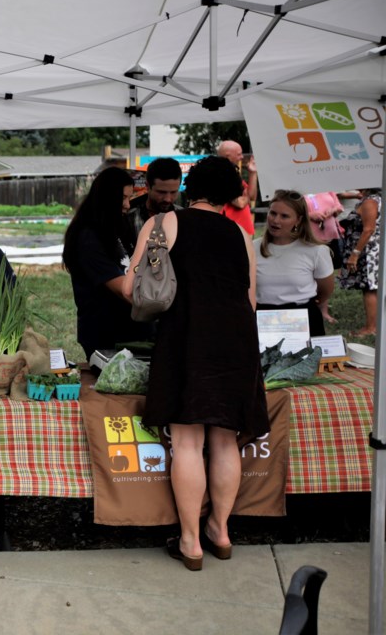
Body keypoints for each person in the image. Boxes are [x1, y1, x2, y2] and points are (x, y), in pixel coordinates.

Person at [124, 156, 269, 572]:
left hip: (188, 337)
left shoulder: (166, 222)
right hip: (237, 341)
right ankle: (220, 532)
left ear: (191, 187)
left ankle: (190, 542)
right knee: (225, 440)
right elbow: (250, 301)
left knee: (188, 442)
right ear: (230, 193)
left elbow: (136, 284)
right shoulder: (242, 234)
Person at [62, 166, 152, 361]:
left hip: (131, 332)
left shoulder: (117, 227)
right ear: (106, 198)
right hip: (105, 336)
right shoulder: (89, 237)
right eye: (123, 198)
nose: (128, 205)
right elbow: (124, 289)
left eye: (129, 197)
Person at [255, 190, 336, 336]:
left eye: (284, 216)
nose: (275, 220)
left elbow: (325, 290)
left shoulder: (316, 251)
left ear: (298, 220)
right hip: (262, 321)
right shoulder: (252, 248)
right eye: (273, 213)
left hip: (303, 319)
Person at [339, 188, 382, 337]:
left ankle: (371, 328)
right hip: (373, 249)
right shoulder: (375, 199)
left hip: (368, 251)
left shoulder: (370, 201)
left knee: (369, 289)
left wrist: (355, 254)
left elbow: (368, 229)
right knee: (373, 288)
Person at [127, 157, 184, 236]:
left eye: (173, 192)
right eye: (161, 192)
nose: (167, 199)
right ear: (147, 186)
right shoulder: (129, 218)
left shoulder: (184, 217)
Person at [216, 140, 258, 235]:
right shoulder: (220, 176)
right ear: (228, 156)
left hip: (242, 231)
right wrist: (246, 195)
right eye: (239, 154)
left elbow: (252, 196)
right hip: (232, 233)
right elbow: (241, 203)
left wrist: (253, 173)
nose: (242, 157)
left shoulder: (233, 175)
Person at [305, 191, 345, 268]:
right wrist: (309, 215)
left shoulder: (328, 189)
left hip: (331, 235)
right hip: (309, 237)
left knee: (333, 264)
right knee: (313, 266)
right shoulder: (299, 192)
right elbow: (292, 212)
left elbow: (339, 207)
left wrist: (333, 210)